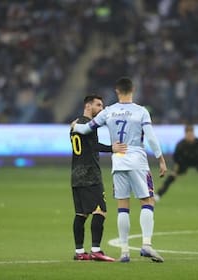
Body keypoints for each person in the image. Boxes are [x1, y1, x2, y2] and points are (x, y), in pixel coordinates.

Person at [71, 77, 167, 263]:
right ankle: (146, 245)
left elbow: (84, 130)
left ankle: (124, 251)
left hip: (119, 162)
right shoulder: (141, 112)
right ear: (133, 90)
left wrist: (75, 125)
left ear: (116, 91)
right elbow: (151, 137)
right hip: (137, 159)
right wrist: (160, 159)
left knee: (123, 206)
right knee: (147, 200)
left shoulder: (108, 112)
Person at [70, 95, 127, 261]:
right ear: (88, 106)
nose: (101, 108)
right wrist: (112, 148)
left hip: (75, 174)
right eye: (98, 105)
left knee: (81, 214)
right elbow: (93, 146)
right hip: (90, 175)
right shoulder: (87, 125)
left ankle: (80, 252)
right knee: (100, 210)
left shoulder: (74, 125)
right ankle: (96, 250)